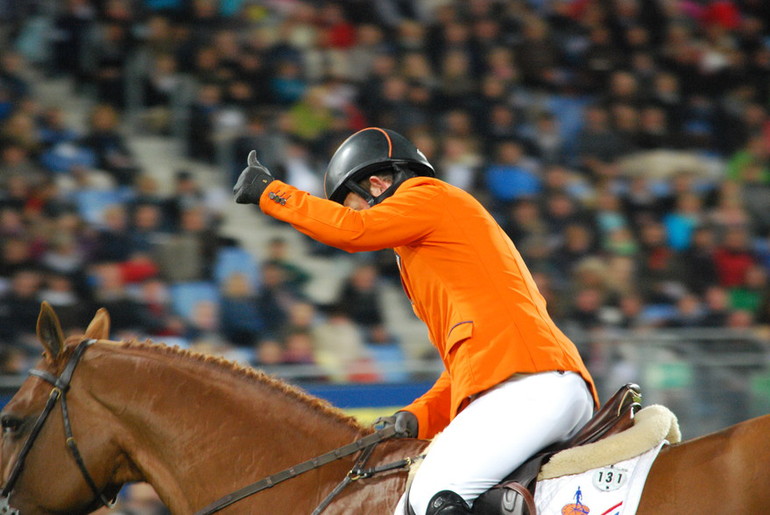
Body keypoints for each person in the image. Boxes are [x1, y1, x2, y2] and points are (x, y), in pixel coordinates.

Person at [233, 127, 598, 515]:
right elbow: (465, 368)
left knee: (431, 496)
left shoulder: (428, 195)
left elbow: (354, 230)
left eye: (354, 203)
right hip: (534, 385)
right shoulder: (431, 243)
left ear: (377, 183)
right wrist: (418, 415)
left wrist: (272, 193)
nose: (353, 214)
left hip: (529, 386)